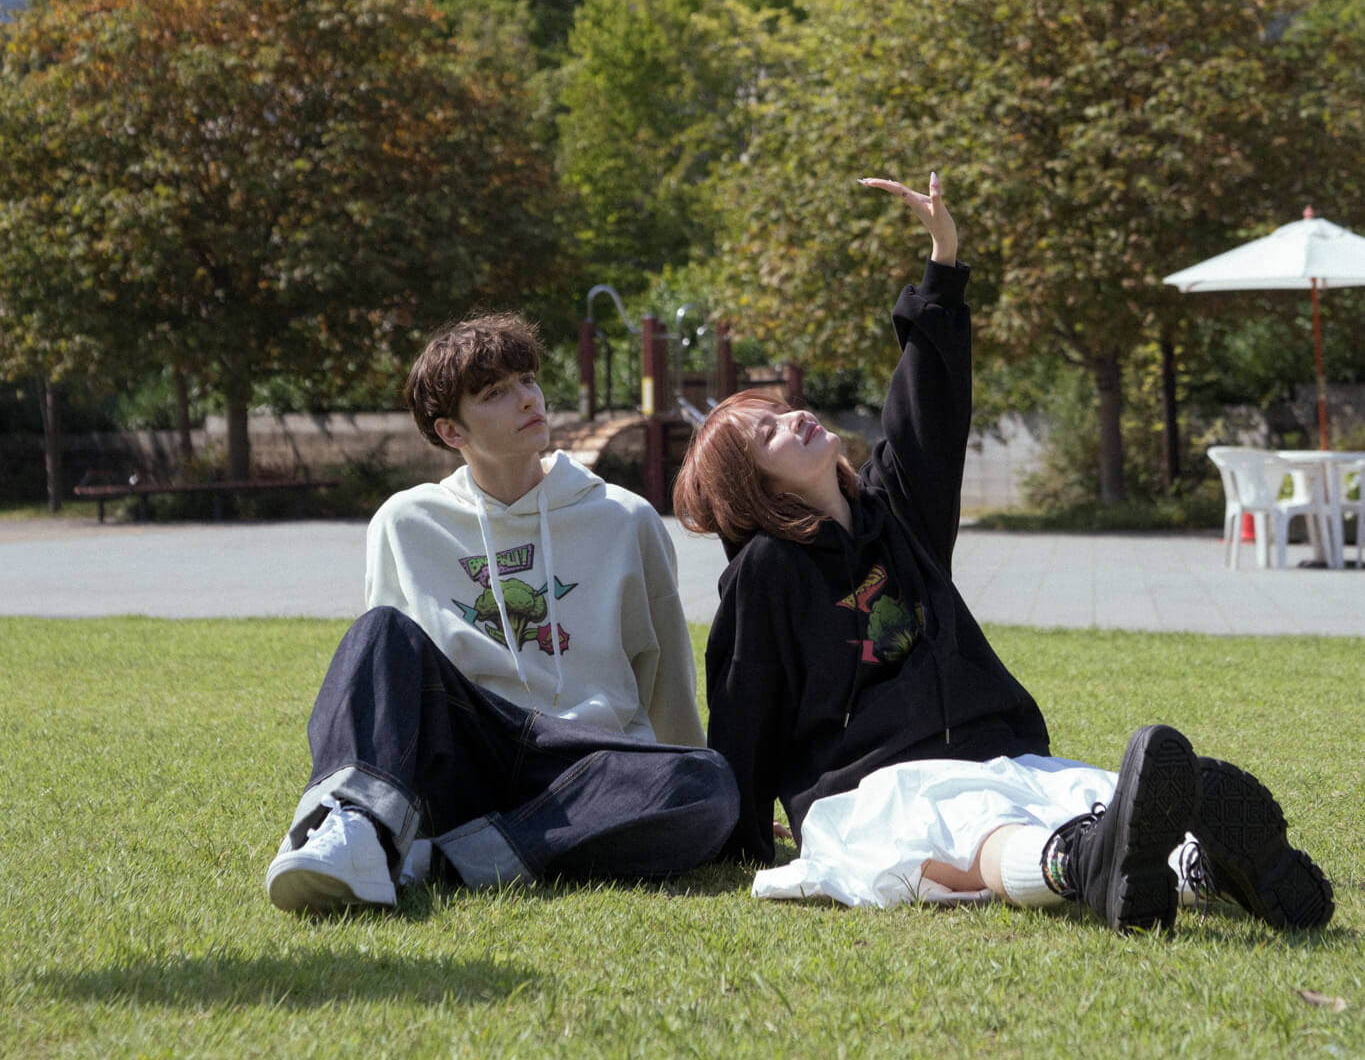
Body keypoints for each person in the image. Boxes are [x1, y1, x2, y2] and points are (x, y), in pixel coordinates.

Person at [673, 176, 1333, 933]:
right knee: (961, 829)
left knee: (1085, 800)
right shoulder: (766, 571)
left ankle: (1201, 864)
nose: (794, 418)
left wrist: (941, 263)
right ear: (754, 489)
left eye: (784, 410)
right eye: (768, 434)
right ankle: (1084, 867)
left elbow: (928, 411)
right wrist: (738, 832)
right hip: (869, 783)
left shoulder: (897, 511)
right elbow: (746, 702)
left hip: (993, 748)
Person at [267, 312, 737, 912]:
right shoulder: (405, 522)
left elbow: (665, 671)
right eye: (495, 393)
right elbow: (390, 684)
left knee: (708, 783)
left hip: (585, 764)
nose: (528, 400)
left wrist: (681, 764)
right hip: (470, 750)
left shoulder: (624, 519)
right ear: (450, 430)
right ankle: (349, 828)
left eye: (528, 381)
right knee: (379, 632)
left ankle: (439, 861)